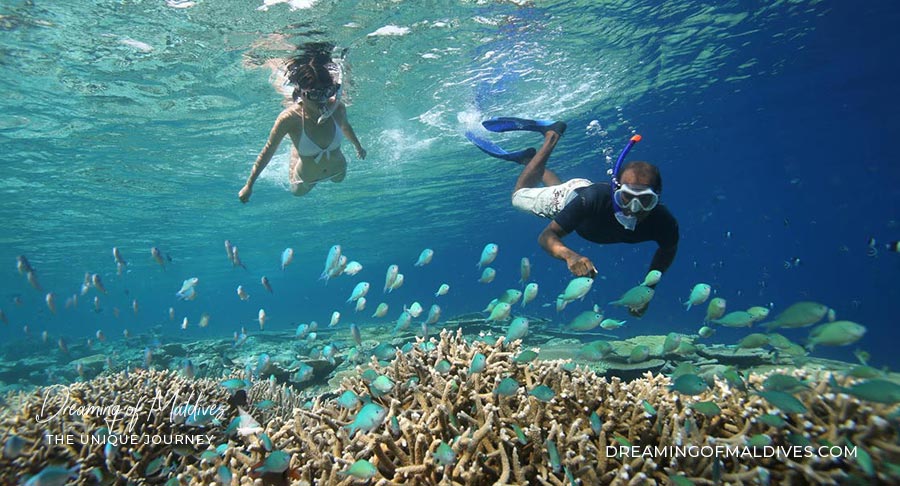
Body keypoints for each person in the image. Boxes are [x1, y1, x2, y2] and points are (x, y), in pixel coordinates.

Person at [468, 117, 679, 316]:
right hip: (571, 196)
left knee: (565, 198)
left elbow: (668, 249)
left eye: (645, 200)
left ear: (657, 198)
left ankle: (534, 162)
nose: (633, 209)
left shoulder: (664, 223)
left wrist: (647, 291)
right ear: (616, 190)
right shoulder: (593, 200)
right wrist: (570, 255)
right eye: (626, 198)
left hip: (582, 196)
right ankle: (550, 138)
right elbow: (547, 236)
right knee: (518, 196)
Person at [239, 44, 366, 202]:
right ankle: (297, 147)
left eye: (326, 92)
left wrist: (358, 146)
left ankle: (301, 143)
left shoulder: (337, 108)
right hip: (304, 181)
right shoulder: (289, 118)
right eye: (314, 94)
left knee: (338, 178)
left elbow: (345, 126)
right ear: (300, 93)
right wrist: (249, 185)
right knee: (298, 191)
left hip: (337, 172)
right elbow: (268, 151)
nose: (322, 100)